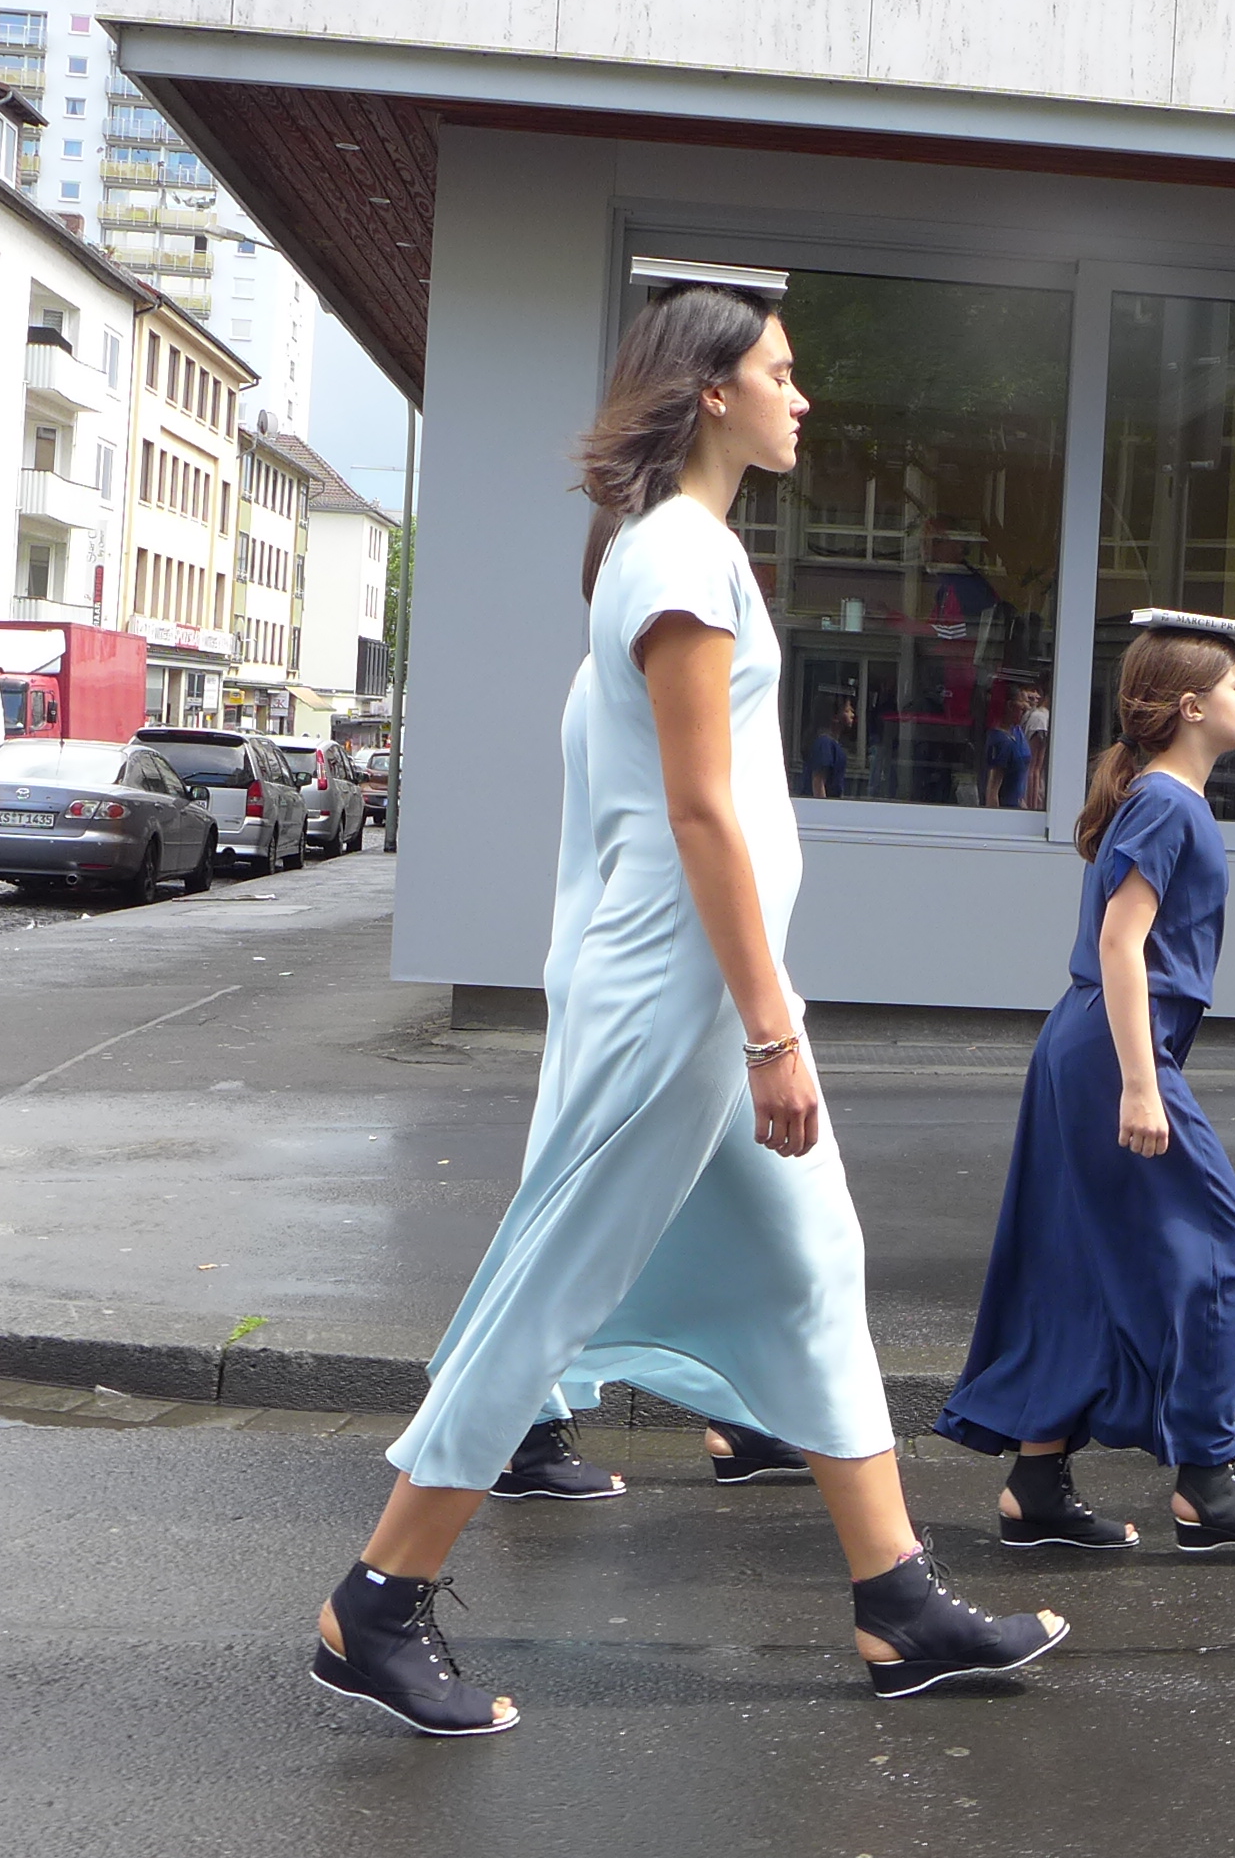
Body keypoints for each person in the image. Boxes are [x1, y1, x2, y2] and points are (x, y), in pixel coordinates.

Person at [319, 268, 1062, 1738]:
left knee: (811, 1264)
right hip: (683, 995)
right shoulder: (675, 556)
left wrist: (760, 1016)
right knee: (552, 1278)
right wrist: (770, 1030)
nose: (803, 398)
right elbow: (699, 813)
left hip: (700, 985)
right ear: (712, 391)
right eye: (780, 373)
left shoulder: (678, 552)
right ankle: (377, 1602)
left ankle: (898, 1601)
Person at [936, 614, 1235, 1556]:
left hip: (1089, 1046)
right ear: (1192, 706)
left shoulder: (1158, 797)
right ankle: (1208, 1483)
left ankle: (1036, 1483)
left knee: (1075, 1261)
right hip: (1113, 1051)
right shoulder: (1168, 804)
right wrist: (1142, 1086)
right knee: (1228, 1248)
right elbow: (1121, 942)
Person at [981, 682, 1036, 810]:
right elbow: (992, 790)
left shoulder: (1017, 731)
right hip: (1007, 808)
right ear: (1010, 706)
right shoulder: (1000, 740)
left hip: (1019, 805)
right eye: (1021, 708)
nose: (1025, 710)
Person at [804, 695, 856, 801]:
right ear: (835, 717)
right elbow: (818, 782)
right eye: (847, 710)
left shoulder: (832, 744)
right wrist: (823, 808)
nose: (852, 714)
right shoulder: (825, 744)